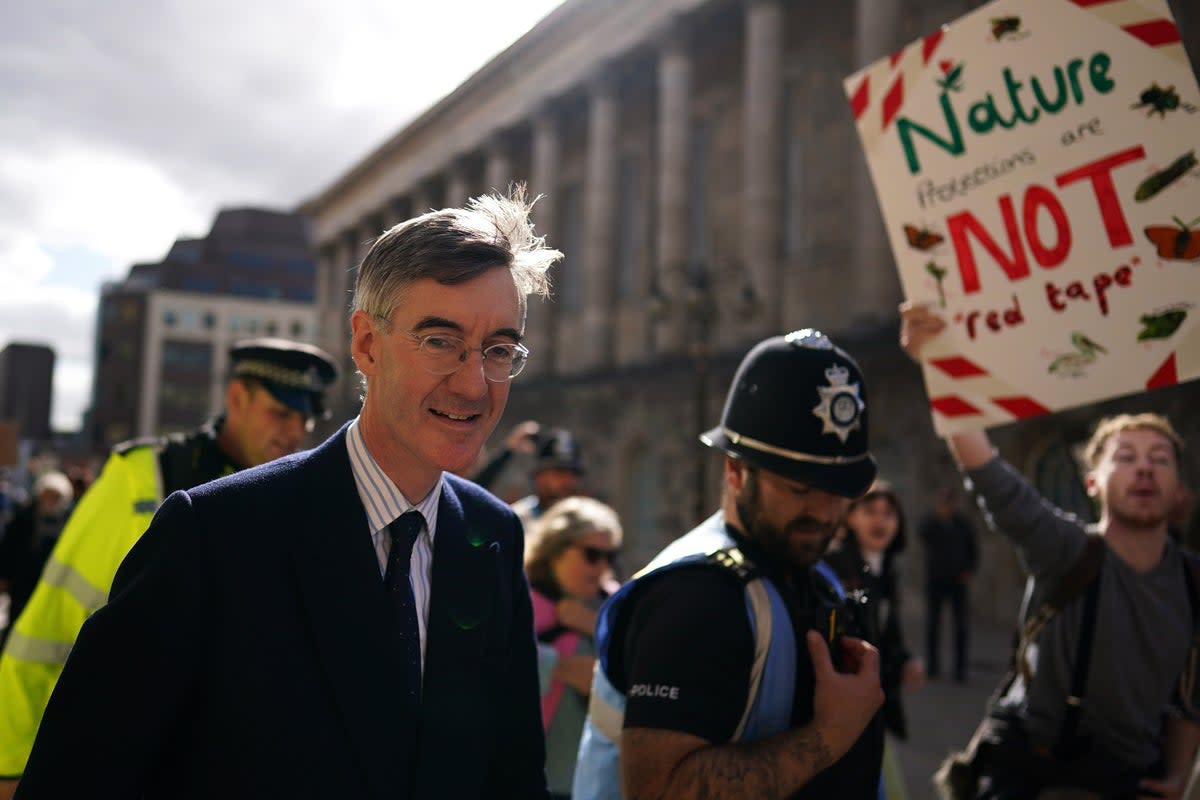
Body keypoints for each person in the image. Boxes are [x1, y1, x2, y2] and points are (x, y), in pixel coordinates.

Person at [13, 190, 560, 800]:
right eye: (440, 341)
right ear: (366, 345)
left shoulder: (493, 535)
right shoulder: (215, 534)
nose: (473, 382)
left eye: (499, 350)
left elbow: (510, 773)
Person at [0, 337, 337, 796]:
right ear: (236, 397)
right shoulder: (143, 476)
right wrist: (11, 769)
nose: (296, 432)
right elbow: (46, 631)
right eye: (281, 413)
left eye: (306, 419)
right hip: (124, 761)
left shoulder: (303, 500)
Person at [901, 302, 1200, 800]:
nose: (1144, 469)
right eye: (1125, 458)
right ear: (1093, 484)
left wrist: (1176, 776)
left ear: (1179, 490)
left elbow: (1191, 700)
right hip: (1035, 774)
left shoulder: (1193, 581)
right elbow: (988, 473)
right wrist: (936, 363)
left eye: (1160, 459)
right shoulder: (1066, 548)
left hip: (1130, 780)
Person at [573, 328, 885, 800]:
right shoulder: (693, 596)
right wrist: (828, 737)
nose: (822, 512)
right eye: (800, 488)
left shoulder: (807, 572)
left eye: (836, 490)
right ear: (735, 471)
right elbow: (659, 790)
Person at [825, 480, 925, 800]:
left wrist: (905, 659)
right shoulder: (835, 564)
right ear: (850, 517)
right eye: (870, 511)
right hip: (847, 705)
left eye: (888, 514)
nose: (880, 521)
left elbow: (886, 631)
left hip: (875, 703)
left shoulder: (886, 568)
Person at [525, 496, 623, 799]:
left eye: (610, 556)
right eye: (592, 555)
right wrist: (559, 667)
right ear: (554, 551)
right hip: (524, 772)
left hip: (594, 781)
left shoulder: (615, 603)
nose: (602, 566)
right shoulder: (517, 595)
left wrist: (592, 624)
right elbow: (482, 656)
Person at [0, 471, 74, 648]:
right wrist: (4, 576)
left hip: (56, 585)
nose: (51, 500)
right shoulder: (24, 518)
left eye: (56, 496)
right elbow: (8, 549)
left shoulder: (69, 520)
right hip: (24, 583)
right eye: (47, 495)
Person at [918, 486, 978, 683]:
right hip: (936, 580)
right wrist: (938, 518)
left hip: (957, 581)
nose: (945, 507)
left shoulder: (962, 524)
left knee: (960, 625)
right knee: (933, 625)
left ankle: (960, 670)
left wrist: (969, 570)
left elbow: (973, 549)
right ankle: (933, 667)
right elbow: (922, 534)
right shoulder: (931, 523)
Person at [510, 428, 585, 529]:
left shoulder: (585, 521)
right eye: (560, 471)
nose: (568, 480)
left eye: (573, 473)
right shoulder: (516, 520)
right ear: (539, 476)